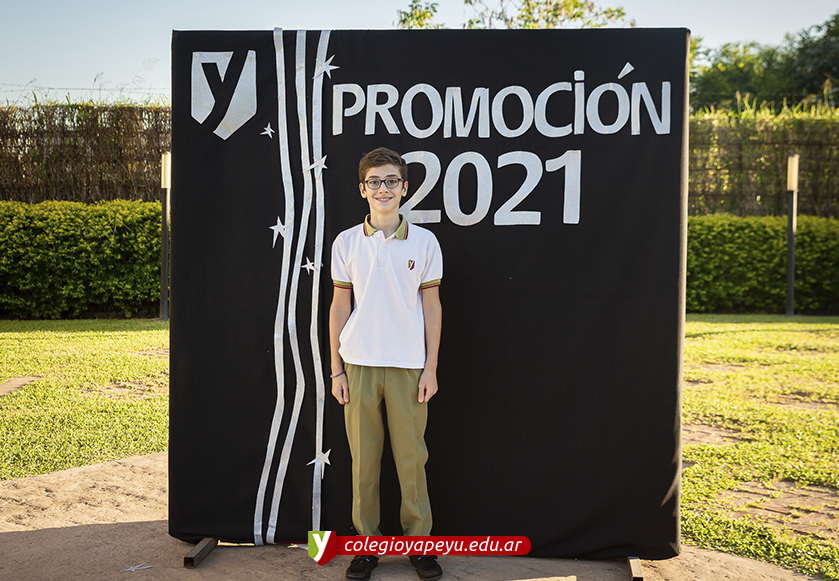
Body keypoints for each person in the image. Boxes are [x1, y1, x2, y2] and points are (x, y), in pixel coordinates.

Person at [329, 147, 443, 581]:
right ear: (363, 189)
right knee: (364, 463)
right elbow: (340, 306)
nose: (383, 188)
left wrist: (431, 367)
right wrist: (336, 369)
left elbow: (431, 307)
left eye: (392, 180)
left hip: (409, 366)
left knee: (411, 461)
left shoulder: (425, 242)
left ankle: (420, 547)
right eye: (375, 181)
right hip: (358, 364)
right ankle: (366, 547)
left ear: (405, 188)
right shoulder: (346, 242)